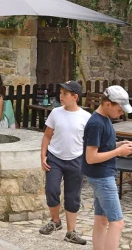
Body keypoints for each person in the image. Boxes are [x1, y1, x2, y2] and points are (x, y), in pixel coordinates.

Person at [82, 85, 132, 250]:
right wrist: (118, 151)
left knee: (101, 220)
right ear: (108, 104)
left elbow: (103, 146)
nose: (121, 114)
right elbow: (91, 157)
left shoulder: (104, 119)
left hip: (100, 176)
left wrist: (120, 144)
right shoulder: (96, 124)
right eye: (119, 110)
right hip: (102, 177)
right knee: (117, 222)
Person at [38, 81, 91, 245]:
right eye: (60, 93)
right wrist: (43, 155)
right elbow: (47, 135)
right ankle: (55, 221)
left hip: (76, 160)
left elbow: (89, 142)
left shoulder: (86, 117)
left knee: (72, 196)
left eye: (65, 94)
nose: (61, 96)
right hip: (55, 158)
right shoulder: (55, 113)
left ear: (75, 97)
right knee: (51, 190)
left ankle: (71, 232)